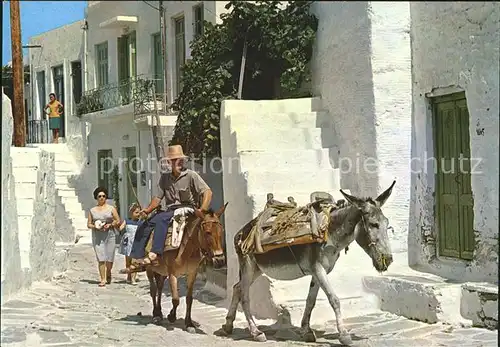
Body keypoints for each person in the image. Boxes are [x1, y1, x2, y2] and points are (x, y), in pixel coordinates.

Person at [129, 144, 213, 267]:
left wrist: (203, 209)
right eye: (174, 160)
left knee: (162, 219)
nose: (178, 162)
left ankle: (155, 253)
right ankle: (138, 256)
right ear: (169, 162)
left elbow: (207, 192)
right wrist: (147, 210)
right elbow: (158, 198)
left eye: (180, 160)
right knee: (146, 223)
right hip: (171, 210)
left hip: (187, 208)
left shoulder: (191, 175)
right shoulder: (165, 177)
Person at [87, 186, 120, 287]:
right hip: (98, 236)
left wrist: (110, 225)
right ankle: (103, 278)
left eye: (104, 196)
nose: (102, 198)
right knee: (101, 258)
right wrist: (95, 227)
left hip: (110, 235)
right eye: (99, 196)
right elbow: (89, 224)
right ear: (96, 198)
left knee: (109, 258)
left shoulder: (111, 208)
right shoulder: (92, 210)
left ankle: (108, 272)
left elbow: (118, 220)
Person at [118, 203, 143, 284]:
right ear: (131, 213)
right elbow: (121, 228)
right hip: (128, 243)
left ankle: (133, 278)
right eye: (136, 212)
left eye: (139, 212)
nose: (138, 214)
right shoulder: (127, 220)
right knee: (128, 261)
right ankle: (129, 276)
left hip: (136, 242)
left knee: (134, 261)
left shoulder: (140, 222)